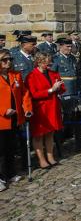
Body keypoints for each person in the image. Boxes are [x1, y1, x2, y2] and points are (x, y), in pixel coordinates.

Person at [0, 49, 33, 190]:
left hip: (14, 117)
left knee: (11, 147)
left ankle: (10, 173)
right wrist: (3, 111)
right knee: (0, 150)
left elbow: (24, 93)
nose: (8, 62)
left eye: (10, 59)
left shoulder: (16, 75)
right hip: (2, 119)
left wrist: (27, 108)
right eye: (4, 60)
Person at [26, 52, 65, 169]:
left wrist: (58, 88)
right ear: (39, 62)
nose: (48, 65)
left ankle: (50, 156)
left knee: (50, 132)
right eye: (46, 63)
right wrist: (50, 90)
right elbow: (33, 94)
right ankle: (41, 159)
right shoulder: (31, 76)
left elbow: (62, 88)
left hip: (53, 107)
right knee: (39, 135)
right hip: (40, 109)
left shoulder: (53, 73)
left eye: (49, 63)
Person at [51, 38, 81, 151]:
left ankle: (72, 137)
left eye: (70, 47)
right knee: (63, 117)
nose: (70, 49)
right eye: (67, 47)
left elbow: (77, 73)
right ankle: (60, 141)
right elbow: (52, 76)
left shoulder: (72, 58)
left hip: (74, 90)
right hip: (63, 92)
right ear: (60, 46)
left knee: (75, 115)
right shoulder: (55, 59)